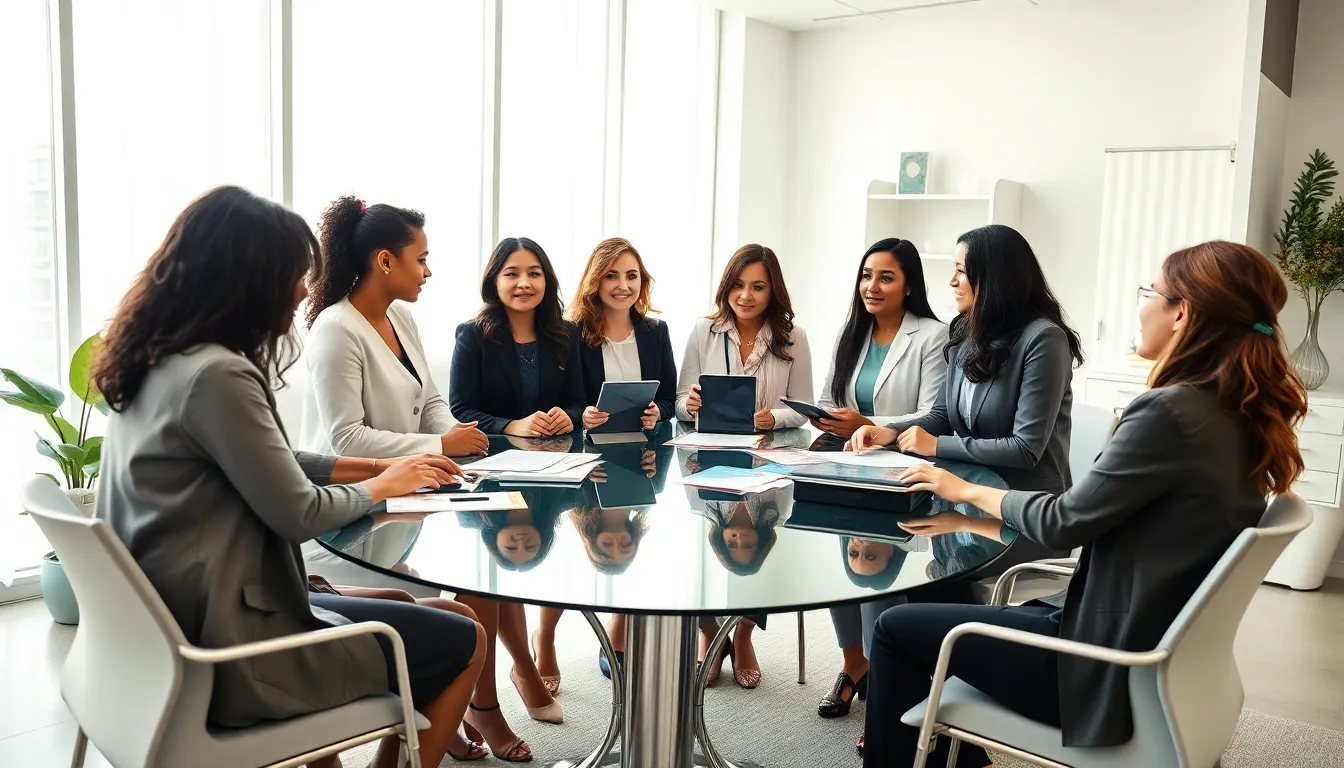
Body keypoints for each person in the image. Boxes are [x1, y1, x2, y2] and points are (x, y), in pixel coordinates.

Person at [856, 240, 1307, 767]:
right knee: (954, 609)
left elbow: (1063, 522)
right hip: (1147, 649)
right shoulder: (1240, 413)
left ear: (1181, 313)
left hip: (1094, 667)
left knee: (894, 630)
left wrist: (963, 491)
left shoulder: (1168, 413)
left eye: (1149, 292)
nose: (1141, 305)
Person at [91, 186, 487, 768]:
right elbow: (298, 514)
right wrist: (380, 487)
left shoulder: (158, 360)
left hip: (173, 626)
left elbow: (275, 457)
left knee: (418, 606)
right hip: (233, 647)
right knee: (465, 640)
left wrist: (385, 469)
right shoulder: (219, 375)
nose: (304, 287)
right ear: (252, 277)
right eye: (295, 272)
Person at [300, 195, 552, 761]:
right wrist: (441, 444)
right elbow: (345, 440)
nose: (429, 270)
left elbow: (431, 401)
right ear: (385, 262)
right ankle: (461, 704)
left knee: (492, 546)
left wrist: (463, 437)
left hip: (410, 500)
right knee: (469, 587)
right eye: (421, 259)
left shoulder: (401, 317)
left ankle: (452, 709)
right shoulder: (335, 329)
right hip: (349, 517)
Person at [814, 238, 948, 722]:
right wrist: (829, 419)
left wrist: (872, 425)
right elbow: (829, 397)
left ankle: (884, 669)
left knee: (878, 571)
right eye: (867, 275)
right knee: (841, 566)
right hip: (845, 465)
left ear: (909, 284)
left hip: (898, 471)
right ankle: (854, 665)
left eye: (886, 277)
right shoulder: (853, 332)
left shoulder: (933, 336)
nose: (872, 285)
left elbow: (936, 413)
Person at [850, 224, 1083, 496]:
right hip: (967, 488)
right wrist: (889, 432)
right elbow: (943, 414)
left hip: (1027, 502)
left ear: (995, 277)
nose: (952, 281)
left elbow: (1025, 448)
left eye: (960, 270)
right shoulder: (965, 331)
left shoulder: (1044, 339)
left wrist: (936, 445)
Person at [450, 237, 585, 437]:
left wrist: (569, 417)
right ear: (494, 281)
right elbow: (461, 410)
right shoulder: (472, 335)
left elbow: (578, 402)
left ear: (546, 280)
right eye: (512, 274)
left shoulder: (567, 333)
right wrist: (511, 426)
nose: (524, 283)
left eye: (534, 274)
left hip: (555, 456)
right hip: (494, 455)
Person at [676, 243, 814, 431]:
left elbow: (803, 408)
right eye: (737, 285)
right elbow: (680, 403)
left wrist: (774, 418)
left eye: (758, 287)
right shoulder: (703, 330)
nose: (745, 296)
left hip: (770, 452)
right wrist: (690, 407)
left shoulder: (795, 337)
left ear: (773, 291)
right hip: (713, 450)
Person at [569, 236, 678, 431]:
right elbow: (566, 402)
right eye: (611, 276)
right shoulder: (573, 333)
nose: (623, 286)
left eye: (631, 276)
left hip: (644, 451)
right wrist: (583, 415)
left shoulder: (657, 332)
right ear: (595, 281)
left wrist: (658, 412)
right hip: (589, 449)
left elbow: (669, 400)